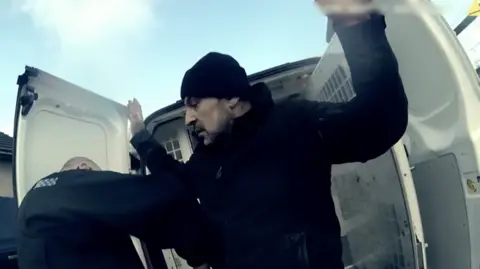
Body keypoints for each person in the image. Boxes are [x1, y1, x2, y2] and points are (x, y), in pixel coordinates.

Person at [128, 1, 409, 268]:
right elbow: (174, 177)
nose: (189, 118)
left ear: (232, 100)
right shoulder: (206, 159)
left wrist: (355, 24)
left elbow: (379, 121)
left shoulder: (294, 123)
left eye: (194, 104)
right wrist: (141, 135)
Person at [17, 157, 210, 269]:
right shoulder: (74, 185)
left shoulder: (31, 200)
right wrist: (197, 255)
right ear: (84, 169)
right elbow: (158, 197)